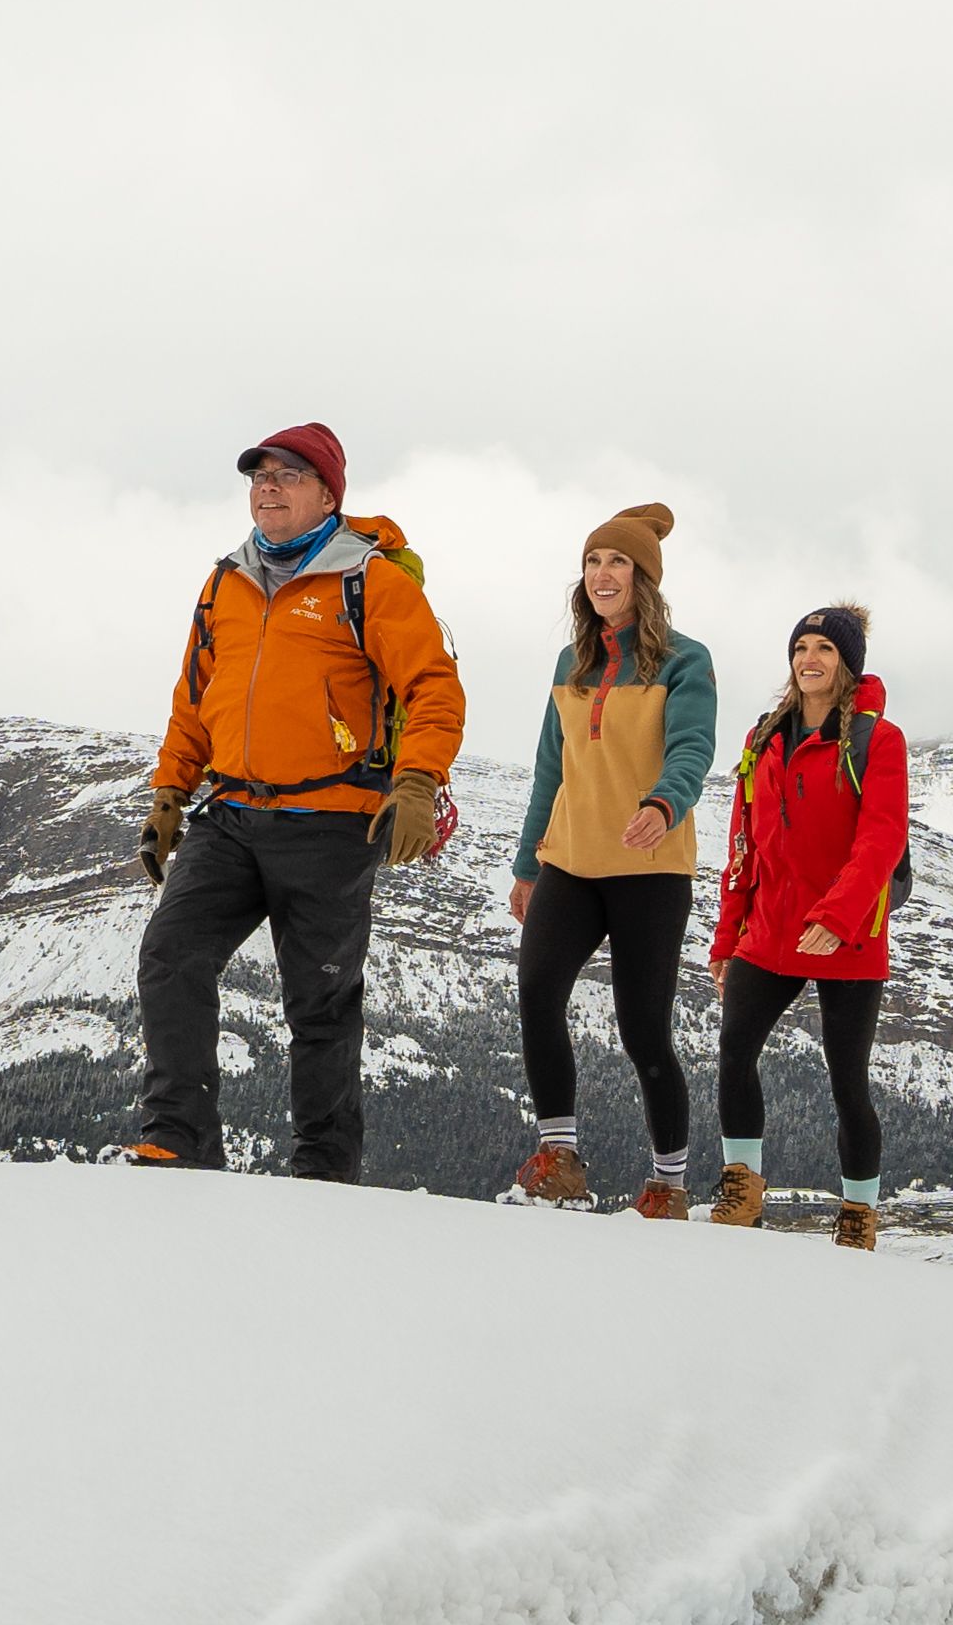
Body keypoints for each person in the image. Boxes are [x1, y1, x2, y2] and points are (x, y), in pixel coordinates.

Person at [131, 423, 464, 1179]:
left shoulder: (371, 581)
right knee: (170, 954)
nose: (268, 486)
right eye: (259, 475)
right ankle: (177, 1139)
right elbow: (195, 699)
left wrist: (415, 781)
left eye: (287, 474)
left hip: (334, 821)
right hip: (233, 815)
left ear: (327, 493)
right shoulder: (226, 582)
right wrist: (169, 793)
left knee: (319, 1004)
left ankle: (324, 1167)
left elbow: (433, 687)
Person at [504, 504, 716, 1214]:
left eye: (617, 562)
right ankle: (560, 1157)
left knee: (643, 1028)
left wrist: (663, 804)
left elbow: (692, 747)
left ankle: (670, 1182)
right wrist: (528, 863)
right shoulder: (573, 663)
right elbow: (549, 766)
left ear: (643, 578)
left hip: (650, 866)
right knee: (537, 990)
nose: (602, 573)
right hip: (571, 860)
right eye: (594, 561)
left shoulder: (687, 661)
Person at [705, 604, 905, 1246]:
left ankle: (858, 1215)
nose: (809, 659)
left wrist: (837, 916)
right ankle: (742, 1187)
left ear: (847, 664)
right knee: (735, 1050)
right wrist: (726, 938)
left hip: (847, 935)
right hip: (769, 930)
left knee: (847, 1078)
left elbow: (881, 840)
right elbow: (744, 845)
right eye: (801, 648)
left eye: (824, 648)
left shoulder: (880, 740)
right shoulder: (763, 737)